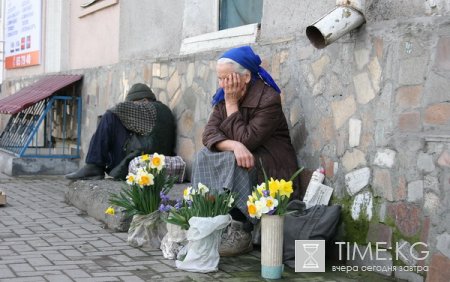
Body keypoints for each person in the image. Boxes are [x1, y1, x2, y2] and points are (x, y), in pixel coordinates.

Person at [191, 46, 302, 257]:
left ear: (246, 76)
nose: (223, 84)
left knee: (235, 161)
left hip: (271, 164)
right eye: (220, 79)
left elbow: (247, 140)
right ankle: (211, 218)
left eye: (227, 78)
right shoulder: (223, 97)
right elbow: (208, 135)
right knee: (204, 156)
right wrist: (234, 145)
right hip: (244, 153)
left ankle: (241, 229)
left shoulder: (268, 99)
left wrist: (232, 105)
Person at [66, 83, 175, 180]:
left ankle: (94, 166)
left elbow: (119, 109)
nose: (131, 108)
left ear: (145, 101)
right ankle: (94, 166)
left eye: (132, 104)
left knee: (109, 118)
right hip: (152, 158)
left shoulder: (151, 109)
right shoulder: (163, 111)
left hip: (142, 159)